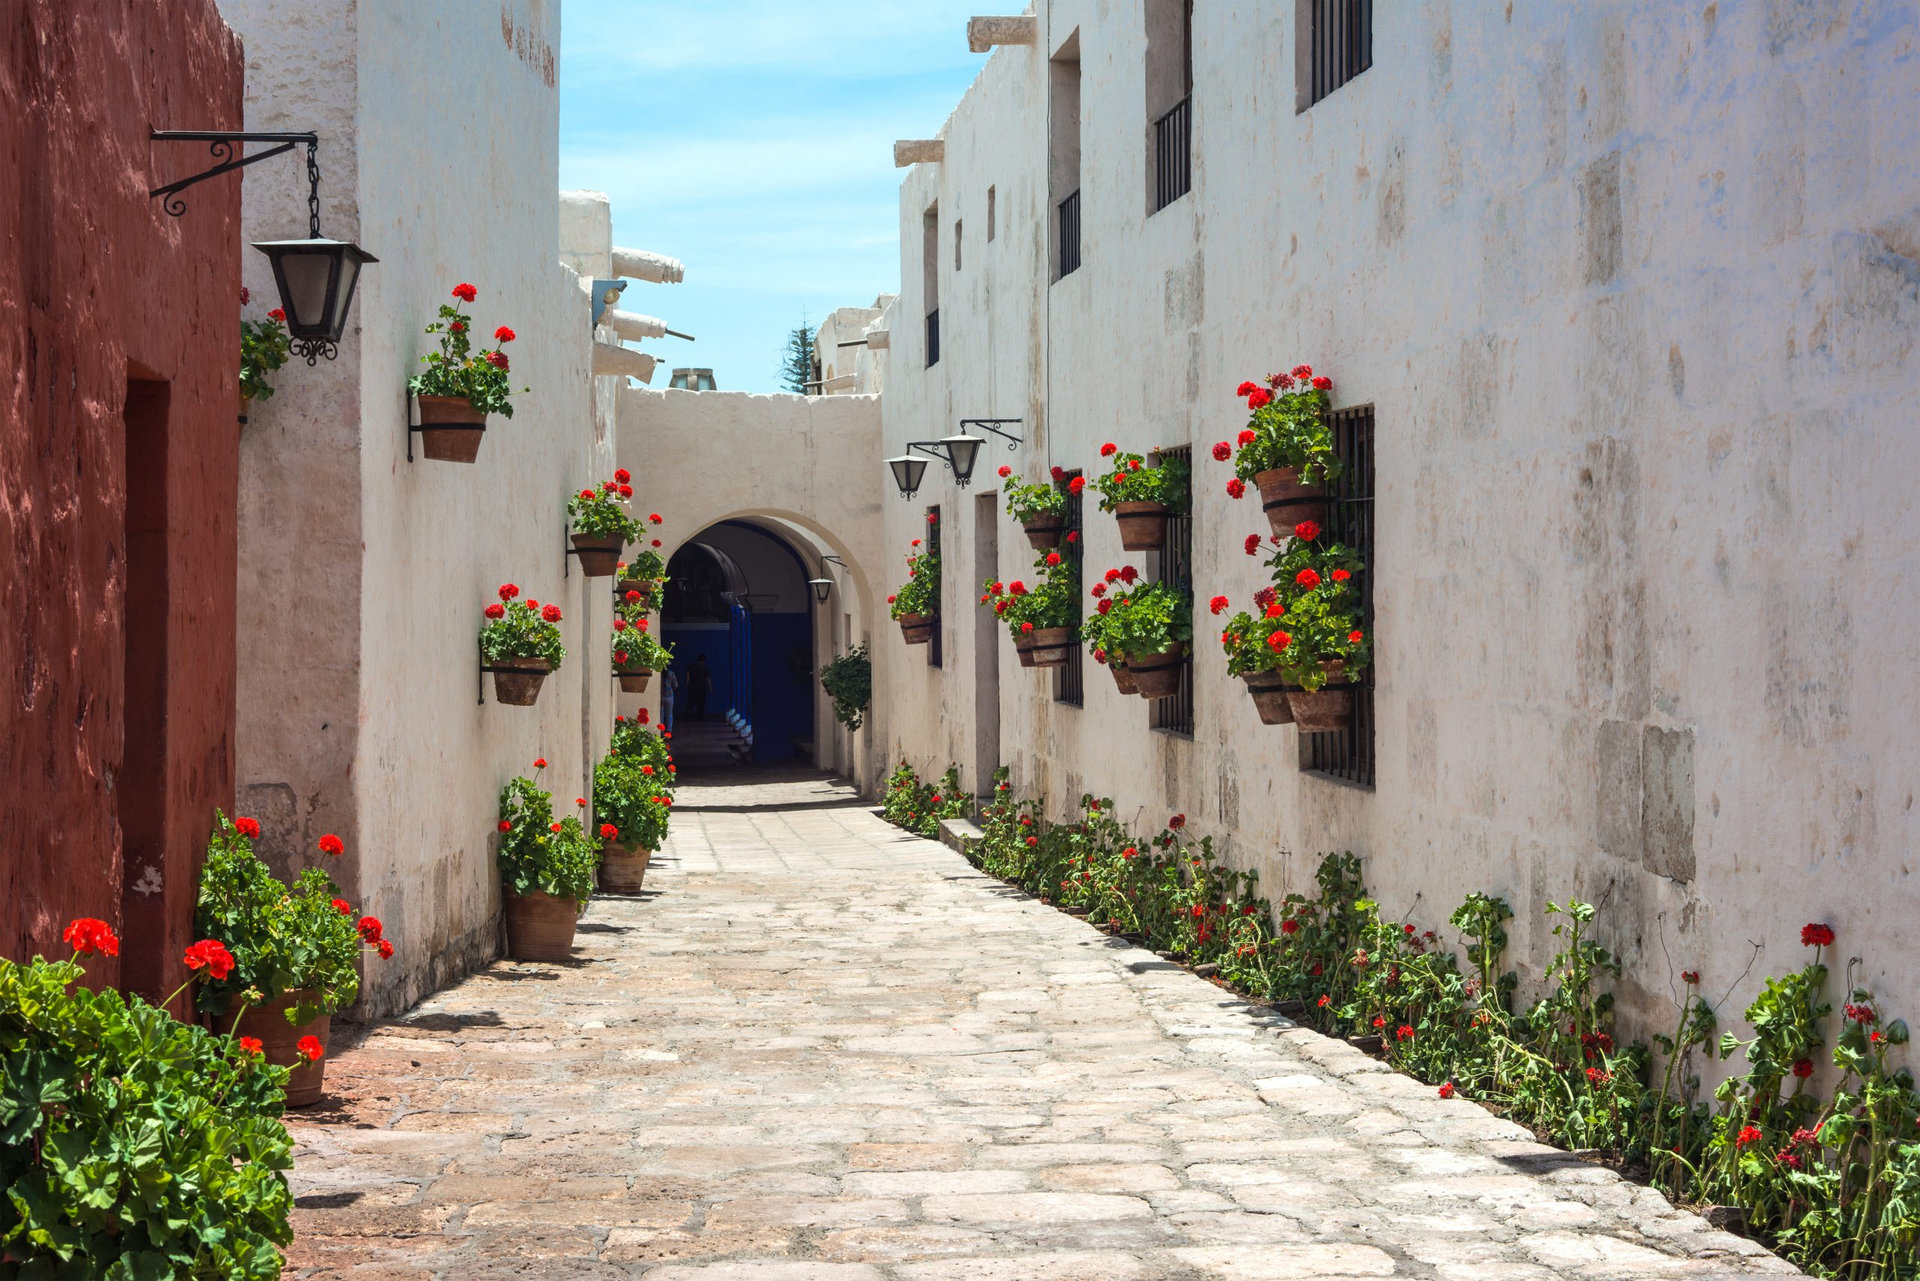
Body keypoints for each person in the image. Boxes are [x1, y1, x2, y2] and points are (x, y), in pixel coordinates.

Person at [687, 653, 712, 721]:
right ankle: (700, 717)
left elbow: (688, 675)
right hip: (701, 688)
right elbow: (708, 678)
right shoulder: (704, 667)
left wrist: (687, 684)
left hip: (692, 687)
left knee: (691, 702)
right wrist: (710, 688)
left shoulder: (692, 665)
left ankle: (688, 716)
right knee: (701, 703)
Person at [660, 666, 678, 733]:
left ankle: (661, 731)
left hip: (660, 696)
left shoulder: (659, 674)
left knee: (661, 715)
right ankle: (669, 730)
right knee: (669, 714)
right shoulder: (671, 673)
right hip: (669, 695)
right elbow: (675, 685)